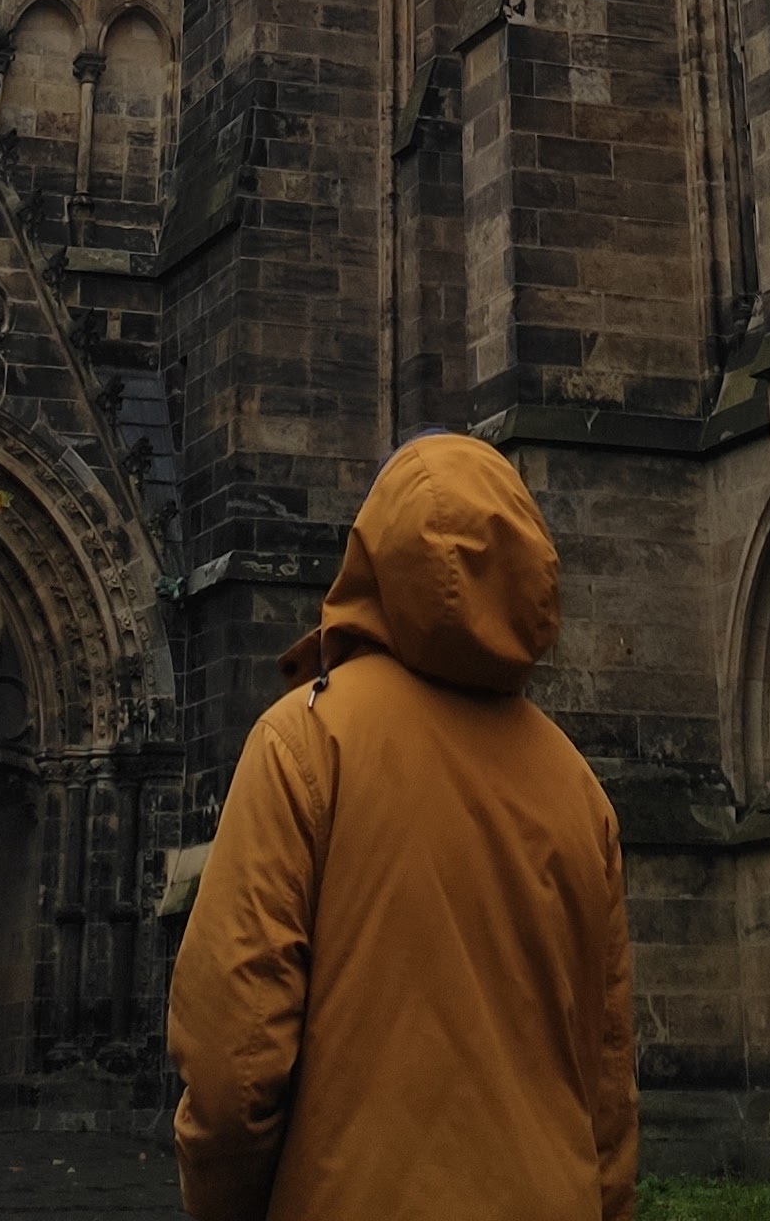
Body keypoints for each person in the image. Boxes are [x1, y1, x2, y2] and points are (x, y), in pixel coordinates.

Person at [166, 432, 635, 1221]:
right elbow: (608, 1067)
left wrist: (225, 1204)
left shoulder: (304, 743)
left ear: (375, 551)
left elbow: (233, 1061)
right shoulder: (578, 789)